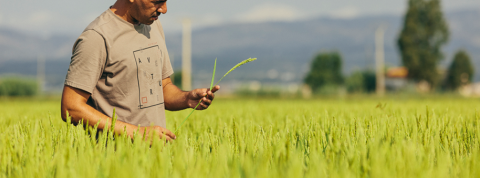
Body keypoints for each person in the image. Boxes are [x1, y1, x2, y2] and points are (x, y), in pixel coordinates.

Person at [61, 0, 219, 142]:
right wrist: (137, 133)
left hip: (156, 160)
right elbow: (71, 108)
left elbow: (162, 87)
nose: (164, 9)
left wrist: (186, 98)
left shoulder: (153, 26)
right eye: (157, 1)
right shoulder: (97, 37)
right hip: (114, 164)